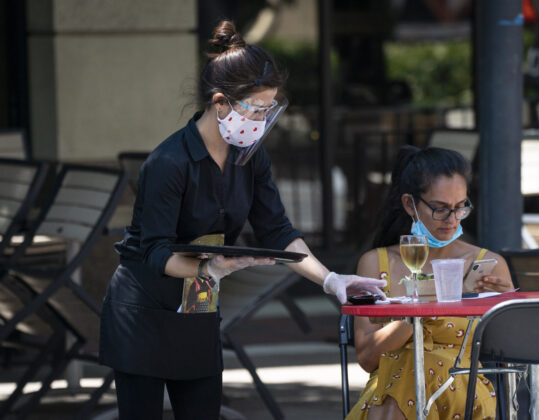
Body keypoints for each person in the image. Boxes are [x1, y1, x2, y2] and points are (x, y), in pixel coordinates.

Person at [99, 20, 385, 420]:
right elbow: (154, 253)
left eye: (271, 109)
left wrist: (332, 281)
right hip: (142, 311)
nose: (263, 120)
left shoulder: (250, 155)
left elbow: (278, 231)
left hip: (197, 306)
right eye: (257, 109)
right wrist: (211, 267)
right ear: (220, 104)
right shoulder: (169, 162)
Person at [347, 146, 514, 420]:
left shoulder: (487, 265)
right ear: (410, 204)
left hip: (463, 390)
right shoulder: (377, 263)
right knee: (410, 371)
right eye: (440, 209)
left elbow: (510, 359)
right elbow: (367, 359)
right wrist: (418, 313)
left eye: (460, 208)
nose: (451, 220)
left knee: (414, 378)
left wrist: (507, 310)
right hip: (391, 386)